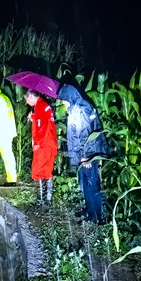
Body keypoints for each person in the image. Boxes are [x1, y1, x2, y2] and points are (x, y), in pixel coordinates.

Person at [57, 84, 110, 223]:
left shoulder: (80, 109)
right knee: (86, 184)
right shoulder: (79, 106)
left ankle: (96, 216)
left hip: (88, 155)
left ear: (69, 97)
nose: (62, 102)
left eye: (63, 99)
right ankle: (90, 210)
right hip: (87, 154)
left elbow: (85, 135)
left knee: (91, 184)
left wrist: (86, 156)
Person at [24, 88, 58, 204]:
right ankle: (48, 200)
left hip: (43, 143)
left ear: (31, 96)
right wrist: (33, 117)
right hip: (50, 143)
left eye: (26, 98)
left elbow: (41, 127)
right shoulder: (44, 105)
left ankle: (42, 200)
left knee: (37, 170)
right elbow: (44, 122)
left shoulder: (39, 106)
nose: (26, 101)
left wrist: (37, 142)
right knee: (47, 170)